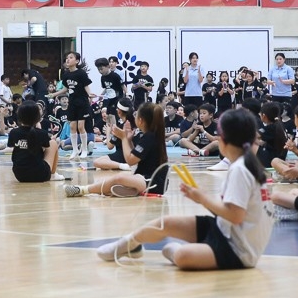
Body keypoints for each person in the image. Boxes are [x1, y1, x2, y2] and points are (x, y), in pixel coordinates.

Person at [97, 108, 273, 270]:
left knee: (182, 256)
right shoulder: (246, 165)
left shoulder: (240, 170)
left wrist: (201, 198)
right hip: (225, 230)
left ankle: (178, 251)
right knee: (165, 223)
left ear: (223, 139)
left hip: (238, 249)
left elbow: (235, 215)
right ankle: (128, 246)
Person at [64, 102, 169, 198]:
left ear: (140, 120)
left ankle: (82, 190)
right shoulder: (149, 135)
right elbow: (136, 156)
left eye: (136, 115)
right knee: (114, 182)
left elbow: (130, 160)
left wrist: (123, 138)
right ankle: (128, 190)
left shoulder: (149, 137)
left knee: (119, 178)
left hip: (153, 182)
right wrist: (128, 140)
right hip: (145, 178)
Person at [8, 101, 64, 183]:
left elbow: (12, 147)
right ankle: (53, 174)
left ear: (19, 116)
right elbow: (46, 147)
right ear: (38, 117)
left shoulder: (13, 132)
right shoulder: (41, 133)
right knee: (53, 143)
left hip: (20, 175)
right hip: (41, 174)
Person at [50, 52, 93, 159]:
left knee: (81, 127)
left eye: (71, 57)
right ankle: (75, 150)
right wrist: (54, 94)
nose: (68, 60)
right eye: (67, 58)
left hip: (82, 103)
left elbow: (86, 86)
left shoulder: (81, 73)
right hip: (72, 103)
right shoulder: (66, 74)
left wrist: (90, 95)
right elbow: (65, 89)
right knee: (72, 126)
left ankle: (84, 149)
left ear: (77, 61)